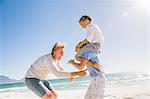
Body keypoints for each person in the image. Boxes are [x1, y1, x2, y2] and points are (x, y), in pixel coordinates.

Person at [68, 15, 105, 99]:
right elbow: (84, 71)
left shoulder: (90, 26)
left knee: (77, 56)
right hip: (95, 78)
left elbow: (88, 39)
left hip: (98, 78)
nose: (82, 27)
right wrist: (72, 75)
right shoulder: (88, 54)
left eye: (81, 24)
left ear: (85, 20)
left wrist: (73, 61)